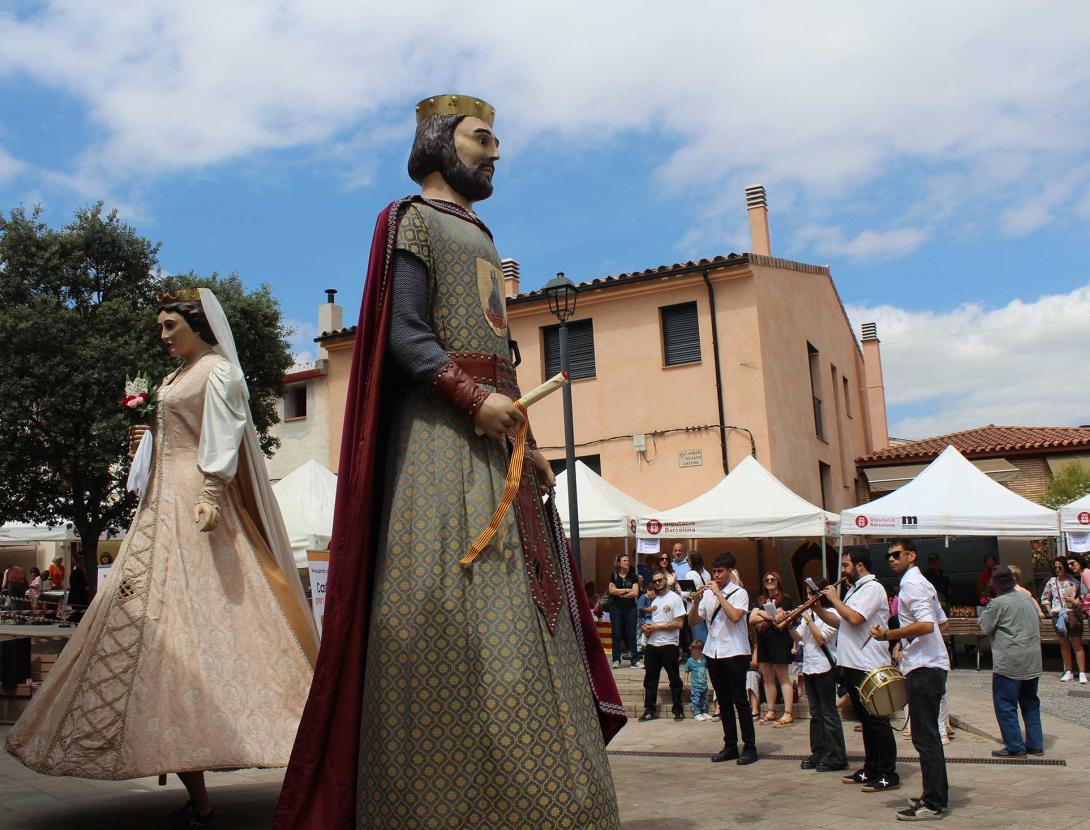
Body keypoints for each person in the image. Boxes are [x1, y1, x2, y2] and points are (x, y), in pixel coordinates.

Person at [275, 96, 623, 830]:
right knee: (450, 623)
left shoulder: (486, 235)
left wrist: (528, 439)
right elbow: (403, 334)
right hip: (441, 446)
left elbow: (503, 349)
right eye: (482, 139)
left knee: (533, 621)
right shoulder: (411, 220)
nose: (496, 153)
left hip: (500, 441)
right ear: (439, 144)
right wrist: (471, 398)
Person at [6, 289, 318, 830]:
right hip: (162, 499)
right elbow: (176, 437)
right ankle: (198, 794)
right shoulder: (176, 377)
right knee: (155, 630)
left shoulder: (218, 372)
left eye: (171, 324)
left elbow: (222, 437)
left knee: (218, 622)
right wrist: (144, 441)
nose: (164, 333)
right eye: (162, 325)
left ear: (198, 324)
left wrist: (213, 494)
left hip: (195, 501)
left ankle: (302, 748)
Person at [871, 540, 949, 821]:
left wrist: (890, 636)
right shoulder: (921, 583)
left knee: (925, 738)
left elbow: (928, 625)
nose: (891, 559)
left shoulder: (912, 585)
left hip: (925, 669)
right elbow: (942, 623)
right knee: (926, 737)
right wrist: (908, 643)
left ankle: (934, 802)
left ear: (911, 556)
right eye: (888, 555)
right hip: (929, 664)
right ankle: (933, 795)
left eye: (896, 554)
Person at [817, 547, 899, 793]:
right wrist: (818, 610)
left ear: (860, 566)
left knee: (877, 721)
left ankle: (887, 773)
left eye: (846, 565)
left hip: (868, 663)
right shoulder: (855, 589)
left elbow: (855, 619)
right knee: (865, 719)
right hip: (851, 663)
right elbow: (841, 622)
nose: (843, 570)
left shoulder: (873, 588)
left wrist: (834, 599)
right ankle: (871, 767)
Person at [689, 551, 758, 765]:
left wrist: (719, 594)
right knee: (723, 701)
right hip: (713, 651)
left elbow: (736, 617)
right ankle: (730, 745)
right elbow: (692, 621)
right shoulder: (708, 594)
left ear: (729, 572)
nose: (716, 576)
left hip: (735, 652)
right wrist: (696, 601)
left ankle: (750, 747)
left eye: (720, 572)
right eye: (715, 572)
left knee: (740, 700)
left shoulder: (739, 592)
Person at [979, 564, 1043, 758]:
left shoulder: (998, 603)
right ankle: (1036, 744)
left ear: (995, 584)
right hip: (1032, 659)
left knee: (1006, 704)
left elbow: (985, 627)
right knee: (1030, 702)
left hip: (1009, 661)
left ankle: (1015, 746)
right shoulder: (1027, 598)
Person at [791, 577, 846, 772]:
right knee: (815, 713)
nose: (808, 597)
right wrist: (789, 624)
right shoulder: (808, 613)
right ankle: (819, 751)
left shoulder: (831, 614)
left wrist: (809, 618)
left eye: (811, 593)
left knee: (828, 713)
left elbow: (821, 639)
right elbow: (799, 637)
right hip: (809, 666)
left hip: (825, 667)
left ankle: (836, 755)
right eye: (807, 593)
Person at [750, 571, 797, 726]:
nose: (769, 581)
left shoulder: (786, 599)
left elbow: (780, 618)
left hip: (780, 640)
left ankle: (788, 713)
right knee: (767, 676)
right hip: (763, 640)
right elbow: (752, 618)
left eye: (772, 579)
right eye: (766, 579)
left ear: (778, 581)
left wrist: (761, 614)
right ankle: (771, 711)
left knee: (783, 676)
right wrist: (768, 615)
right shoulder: (760, 599)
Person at [639, 569, 687, 721]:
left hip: (669, 644)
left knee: (674, 679)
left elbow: (680, 623)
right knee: (650, 680)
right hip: (652, 644)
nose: (658, 583)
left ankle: (678, 709)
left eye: (660, 580)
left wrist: (657, 627)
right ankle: (649, 710)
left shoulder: (675, 599)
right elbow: (649, 622)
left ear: (666, 580)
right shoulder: (652, 600)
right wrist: (647, 630)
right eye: (655, 581)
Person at [1040, 556, 1087, 683]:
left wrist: (1077, 604)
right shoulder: (1051, 581)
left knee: (1077, 644)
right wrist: (1050, 611)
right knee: (1064, 645)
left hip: (1073, 614)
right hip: (1058, 615)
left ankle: (1082, 672)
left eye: (1060, 567)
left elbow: (1083, 597)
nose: (1057, 569)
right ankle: (1069, 671)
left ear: (1065, 567)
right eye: (1055, 567)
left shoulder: (1075, 582)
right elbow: (1045, 598)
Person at [607, 553, 640, 668]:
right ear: (619, 563)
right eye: (624, 561)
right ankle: (616, 659)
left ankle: (635, 660)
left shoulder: (633, 575)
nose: (627, 562)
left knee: (631, 633)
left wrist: (619, 592)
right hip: (616, 608)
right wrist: (627, 590)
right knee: (616, 633)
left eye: (628, 560)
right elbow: (611, 591)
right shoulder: (614, 575)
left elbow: (635, 592)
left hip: (630, 608)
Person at [687, 551, 712, 642]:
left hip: (695, 609)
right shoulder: (707, 573)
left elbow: (689, 594)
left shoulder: (690, 574)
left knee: (698, 640)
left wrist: (679, 592)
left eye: (687, 560)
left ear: (692, 561)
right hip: (706, 608)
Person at [684, 639, 710, 720]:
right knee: (696, 700)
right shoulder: (690, 661)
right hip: (695, 686)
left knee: (704, 699)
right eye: (693, 650)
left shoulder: (704, 660)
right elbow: (686, 671)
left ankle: (703, 712)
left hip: (704, 685)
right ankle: (696, 713)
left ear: (701, 650)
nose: (694, 652)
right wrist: (686, 681)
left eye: (696, 650)